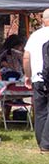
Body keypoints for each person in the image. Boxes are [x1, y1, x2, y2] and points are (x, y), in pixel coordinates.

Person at [23, 9, 49, 152]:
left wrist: (28, 75)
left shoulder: (35, 35)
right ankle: (46, 143)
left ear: (43, 20)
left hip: (37, 77)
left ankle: (41, 141)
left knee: (40, 111)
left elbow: (26, 57)